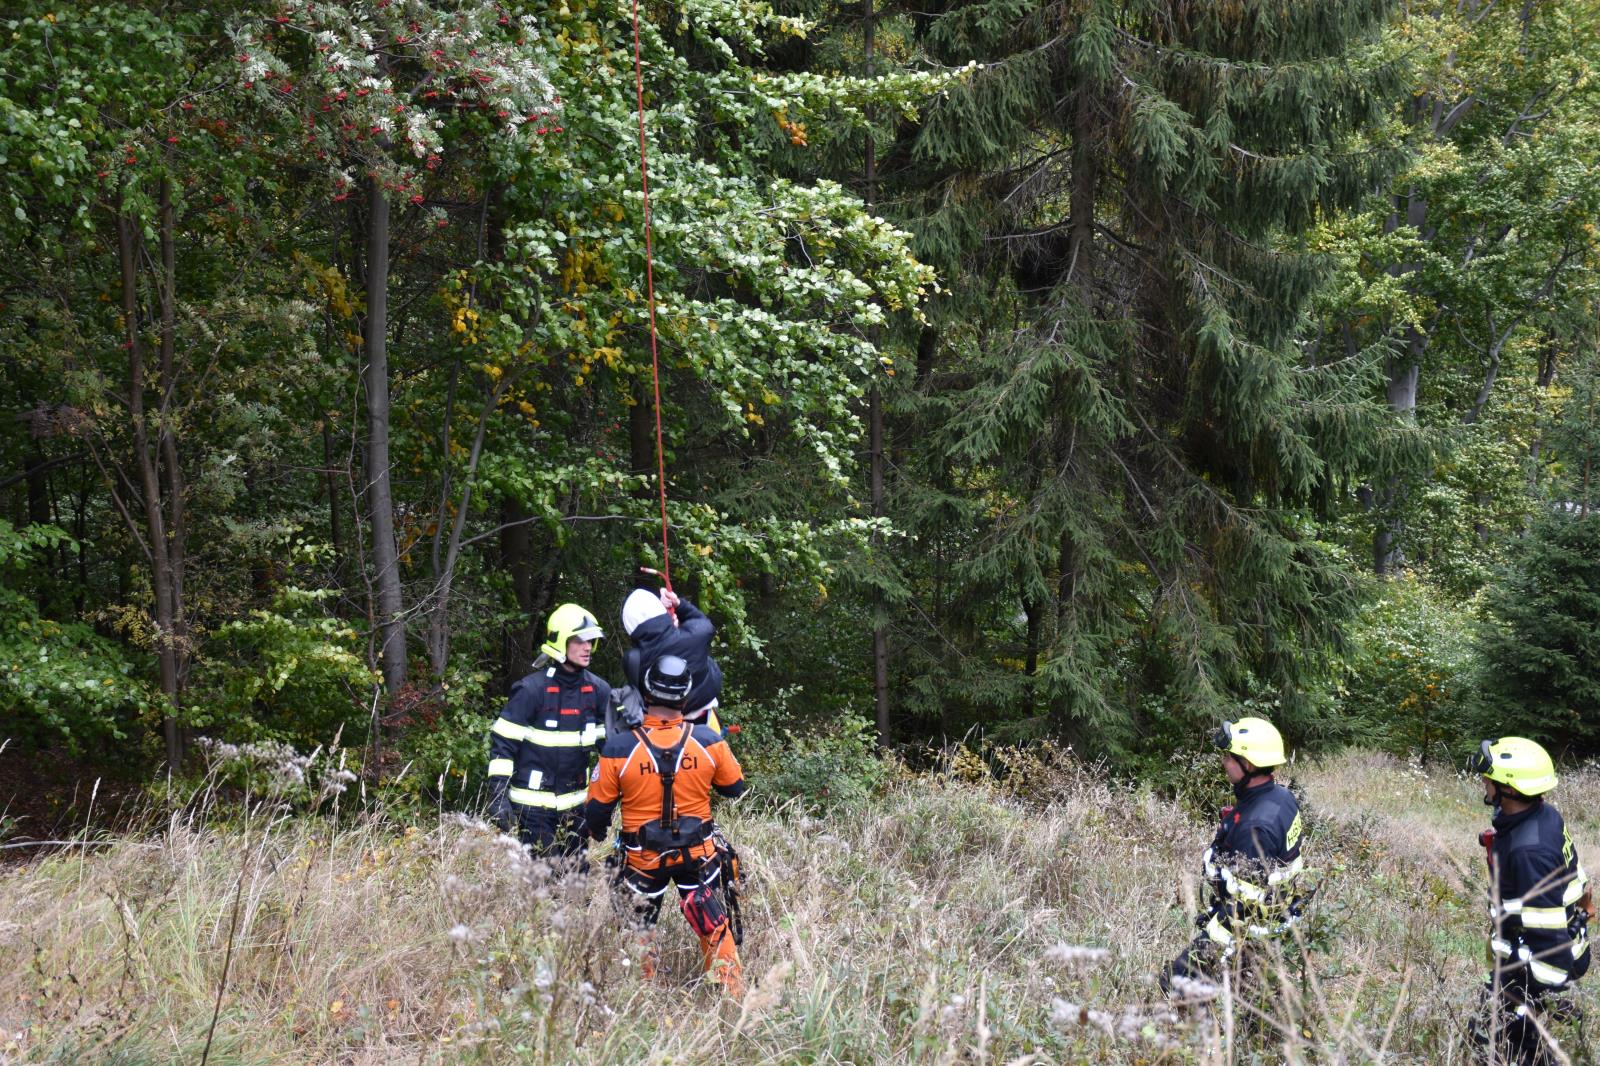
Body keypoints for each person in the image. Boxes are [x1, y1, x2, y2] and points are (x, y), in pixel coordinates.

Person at [584, 654, 747, 997]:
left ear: (646, 693)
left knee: (639, 925)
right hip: (699, 856)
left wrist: (598, 833)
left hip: (643, 860)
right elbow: (734, 789)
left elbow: (596, 813)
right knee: (713, 925)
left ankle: (642, 995)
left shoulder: (618, 747)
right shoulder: (708, 741)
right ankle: (732, 994)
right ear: (688, 695)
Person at [1162, 716, 1305, 998]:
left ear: (1248, 765)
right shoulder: (1282, 798)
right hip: (1279, 911)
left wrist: (1199, 956)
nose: (1224, 762)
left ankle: (1204, 1038)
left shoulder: (1257, 827)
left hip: (1256, 928)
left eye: (1229, 756)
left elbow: (1243, 910)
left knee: (1177, 983)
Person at [1468, 737, 1591, 1066]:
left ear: (1508, 789)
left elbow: (1549, 941)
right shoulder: (1543, 815)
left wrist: (1537, 996)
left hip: (1534, 965)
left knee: (1504, 1043)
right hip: (1534, 951)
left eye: (1489, 777)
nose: (1484, 781)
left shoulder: (1529, 853)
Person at [486, 603, 611, 869]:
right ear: (560, 640)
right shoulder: (531, 690)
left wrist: (603, 806)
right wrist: (498, 797)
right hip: (532, 809)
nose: (587, 647)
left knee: (577, 883)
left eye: (590, 640)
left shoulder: (599, 690)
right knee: (542, 884)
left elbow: (611, 753)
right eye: (579, 640)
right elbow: (503, 745)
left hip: (577, 808)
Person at [614, 568, 724, 733]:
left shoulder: (634, 659)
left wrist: (674, 628)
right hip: (704, 721)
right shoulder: (692, 637)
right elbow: (704, 624)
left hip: (661, 728)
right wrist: (678, 604)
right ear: (658, 610)